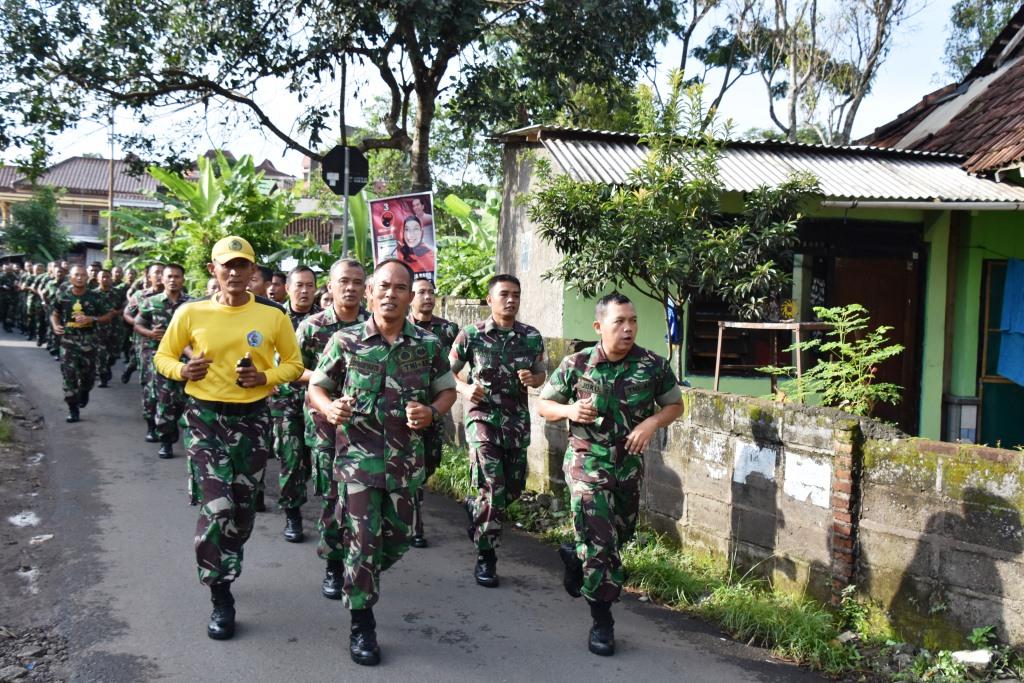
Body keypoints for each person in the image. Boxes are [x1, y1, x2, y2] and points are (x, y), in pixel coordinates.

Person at [153, 236, 303, 641]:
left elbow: (294, 364)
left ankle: (228, 558)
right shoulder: (191, 312)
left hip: (252, 422)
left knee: (241, 514)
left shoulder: (273, 317)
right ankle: (220, 594)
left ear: (253, 271)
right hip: (205, 420)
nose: (235, 273)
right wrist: (182, 372)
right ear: (213, 270)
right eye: (227, 266)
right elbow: (163, 357)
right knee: (218, 508)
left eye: (243, 266)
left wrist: (264, 378)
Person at [307, 259, 456, 666]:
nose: (391, 294)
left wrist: (432, 411)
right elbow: (316, 389)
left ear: (411, 297)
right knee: (363, 544)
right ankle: (362, 623)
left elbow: (447, 391)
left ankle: (355, 567)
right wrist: (330, 408)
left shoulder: (427, 345)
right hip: (357, 462)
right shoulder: (345, 341)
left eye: (400, 288)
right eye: (384, 286)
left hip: (404, 464)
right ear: (370, 292)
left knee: (399, 539)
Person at [537, 293, 684, 656]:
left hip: (628, 468)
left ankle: (575, 553)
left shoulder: (652, 364)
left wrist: (651, 423)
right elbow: (543, 404)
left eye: (632, 320)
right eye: (619, 321)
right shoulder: (577, 364)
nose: (628, 328)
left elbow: (675, 405)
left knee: (619, 535)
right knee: (602, 547)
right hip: (587, 466)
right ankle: (602, 621)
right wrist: (570, 409)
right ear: (599, 326)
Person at [449, 274, 546, 587]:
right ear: (490, 300)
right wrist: (464, 390)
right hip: (482, 421)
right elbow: (444, 373)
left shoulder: (531, 337)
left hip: (516, 422)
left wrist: (534, 379)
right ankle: (486, 556)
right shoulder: (471, 335)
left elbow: (541, 373)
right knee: (493, 486)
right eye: (503, 294)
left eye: (515, 294)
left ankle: (475, 508)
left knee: (512, 489)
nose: (510, 300)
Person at [295, 259, 368, 598]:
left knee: (362, 499)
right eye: (343, 281)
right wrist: (328, 377)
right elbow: (292, 370)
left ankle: (362, 560)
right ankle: (333, 563)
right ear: (330, 286)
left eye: (357, 281)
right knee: (331, 496)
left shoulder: (376, 325)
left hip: (367, 428)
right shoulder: (312, 327)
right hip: (324, 424)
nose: (350, 287)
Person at [407, 277, 459, 547]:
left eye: (431, 292)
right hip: (406, 411)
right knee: (411, 467)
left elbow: (454, 369)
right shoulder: (401, 328)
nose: (427, 297)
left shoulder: (448, 330)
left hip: (436, 407)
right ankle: (415, 522)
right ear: (410, 297)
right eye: (421, 292)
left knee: (430, 462)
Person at [268, 265, 319, 540]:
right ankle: (293, 515)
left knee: (313, 460)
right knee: (291, 458)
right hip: (285, 401)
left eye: (309, 285)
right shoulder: (274, 317)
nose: (304, 290)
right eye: (298, 285)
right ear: (287, 288)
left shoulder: (323, 320)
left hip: (317, 403)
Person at [136, 263, 192, 459]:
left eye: (177, 276)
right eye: (169, 276)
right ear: (162, 279)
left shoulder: (192, 304)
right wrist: (150, 333)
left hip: (186, 359)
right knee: (164, 398)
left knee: (185, 400)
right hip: (160, 357)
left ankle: (190, 436)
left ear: (182, 280)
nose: (172, 280)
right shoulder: (151, 302)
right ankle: (166, 440)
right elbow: (138, 324)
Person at [50, 265, 115, 422]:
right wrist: (55, 325)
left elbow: (109, 314)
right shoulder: (63, 295)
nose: (79, 277)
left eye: (82, 275)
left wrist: (92, 319)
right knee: (69, 376)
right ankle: (73, 409)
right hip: (68, 341)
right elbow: (55, 313)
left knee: (88, 376)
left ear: (87, 278)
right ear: (70, 277)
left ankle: (84, 391)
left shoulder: (95, 297)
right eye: (76, 275)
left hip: (89, 341)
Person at [94, 269, 124, 387]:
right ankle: (103, 377)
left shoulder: (118, 293)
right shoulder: (93, 294)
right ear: (98, 279)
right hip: (99, 329)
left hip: (116, 328)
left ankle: (107, 366)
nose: (105, 279)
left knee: (114, 354)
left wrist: (117, 313)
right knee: (100, 354)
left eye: (107, 277)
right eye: (103, 277)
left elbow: (125, 307)